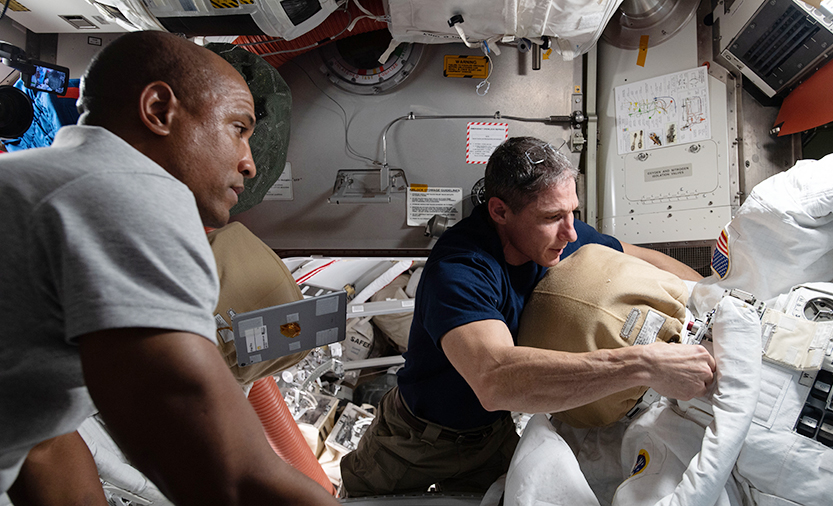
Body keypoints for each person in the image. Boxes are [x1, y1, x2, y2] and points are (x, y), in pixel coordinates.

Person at [0, 31, 338, 506]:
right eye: (239, 129)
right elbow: (230, 475)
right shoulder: (124, 194)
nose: (250, 164)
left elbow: (41, 441)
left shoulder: (46, 180)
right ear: (159, 109)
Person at [340, 136, 716, 496]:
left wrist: (714, 298)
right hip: (416, 439)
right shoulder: (460, 270)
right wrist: (643, 364)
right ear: (500, 211)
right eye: (552, 217)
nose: (570, 232)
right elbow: (495, 379)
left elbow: (635, 254)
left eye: (573, 212)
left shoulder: (559, 235)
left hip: (492, 435)